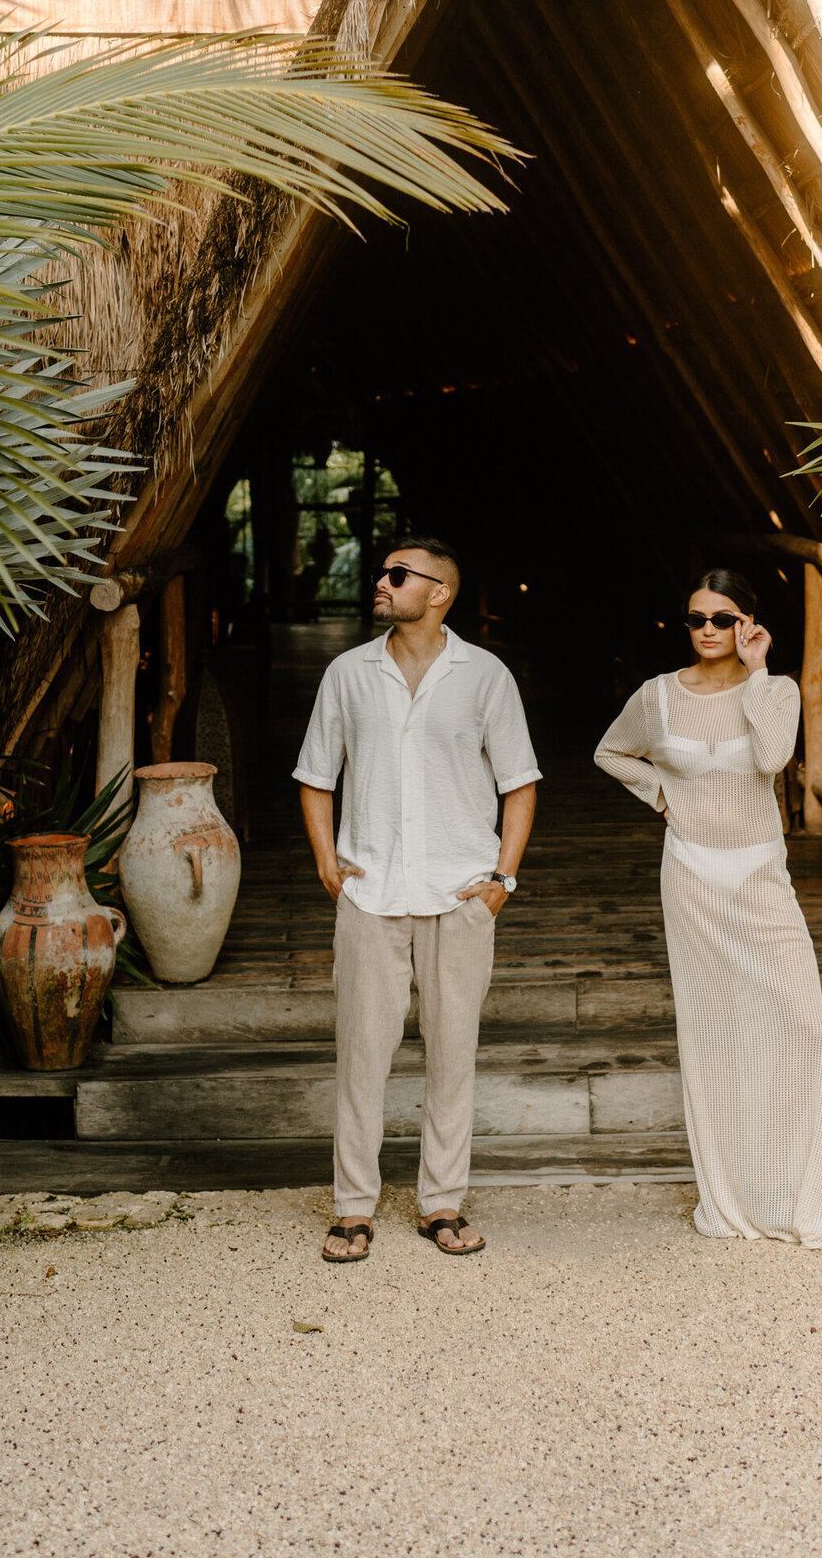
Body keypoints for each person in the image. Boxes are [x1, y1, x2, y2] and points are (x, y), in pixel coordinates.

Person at [294, 536, 540, 1263]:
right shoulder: (348, 673)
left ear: (439, 593)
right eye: (382, 572)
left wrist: (502, 879)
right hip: (371, 894)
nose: (381, 581)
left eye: (398, 575)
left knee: (452, 1054)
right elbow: (315, 776)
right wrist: (325, 863)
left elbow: (519, 782)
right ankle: (352, 1208)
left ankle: (441, 1201)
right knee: (361, 1057)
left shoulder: (485, 676)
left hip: (458, 894)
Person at [594, 568, 822, 1247]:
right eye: (696, 618)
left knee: (801, 1024)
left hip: (760, 873)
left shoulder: (776, 691)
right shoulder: (658, 696)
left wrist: (757, 671)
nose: (706, 630)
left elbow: (772, 757)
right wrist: (664, 795)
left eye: (722, 619)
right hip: (692, 875)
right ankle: (726, 1197)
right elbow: (609, 752)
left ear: (747, 625)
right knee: (714, 1035)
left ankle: (790, 1195)